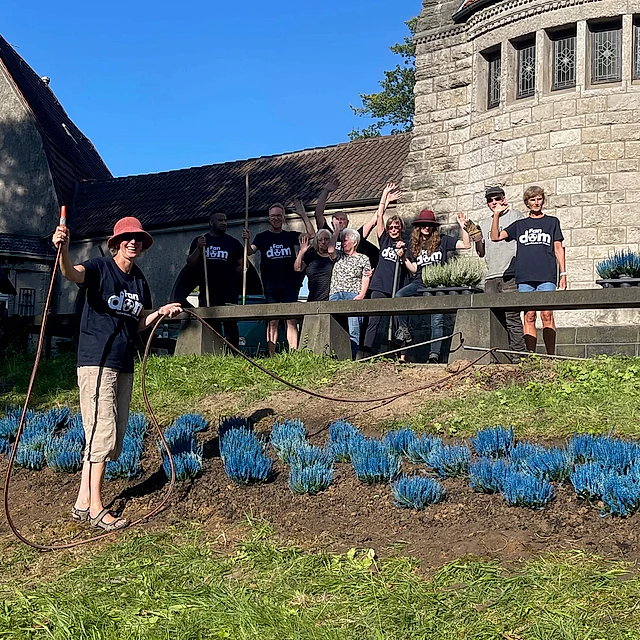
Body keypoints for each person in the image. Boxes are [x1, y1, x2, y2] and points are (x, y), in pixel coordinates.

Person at [52, 217, 182, 531]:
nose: (133, 243)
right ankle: (97, 508)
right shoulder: (99, 268)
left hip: (124, 362)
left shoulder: (138, 280)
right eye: (127, 238)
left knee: (113, 437)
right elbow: (71, 274)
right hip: (96, 360)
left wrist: (160, 313)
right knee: (101, 432)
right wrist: (64, 251)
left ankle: (82, 503)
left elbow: (138, 320)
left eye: (138, 238)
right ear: (116, 243)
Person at [490, 185, 566, 355]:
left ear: (543, 200)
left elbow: (559, 249)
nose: (536, 202)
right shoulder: (520, 225)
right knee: (529, 315)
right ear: (527, 203)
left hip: (546, 276)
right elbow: (495, 237)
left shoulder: (552, 222)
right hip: (525, 277)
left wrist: (563, 274)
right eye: (533, 199)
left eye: (539, 199)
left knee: (547, 314)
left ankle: (550, 356)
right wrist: (496, 214)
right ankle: (531, 357)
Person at [394, 209, 471, 364]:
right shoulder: (414, 244)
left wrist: (463, 227)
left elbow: (466, 245)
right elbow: (415, 269)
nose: (427, 227)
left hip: (437, 283)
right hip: (419, 281)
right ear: (419, 226)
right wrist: (403, 258)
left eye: (429, 225)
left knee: (437, 319)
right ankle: (403, 329)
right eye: (424, 225)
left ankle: (433, 355)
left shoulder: (442, 240)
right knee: (399, 296)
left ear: (433, 227)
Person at [243, 200, 314, 355]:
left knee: (291, 319)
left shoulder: (290, 236)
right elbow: (249, 252)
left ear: (283, 218)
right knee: (273, 319)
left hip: (290, 283)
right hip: (270, 284)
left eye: (279, 216)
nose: (275, 218)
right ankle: (272, 354)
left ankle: (293, 354)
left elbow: (311, 235)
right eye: (273, 216)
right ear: (269, 218)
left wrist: (303, 215)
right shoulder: (262, 237)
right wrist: (247, 239)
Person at [474, 186, 527, 362]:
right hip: (491, 275)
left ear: (504, 199)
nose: (494, 203)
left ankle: (518, 354)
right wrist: (476, 238)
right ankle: (499, 356)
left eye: (497, 199)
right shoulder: (483, 223)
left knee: (512, 316)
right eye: (491, 200)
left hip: (510, 274)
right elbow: (481, 252)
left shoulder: (516, 216)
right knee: (494, 317)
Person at [186, 211, 243, 348]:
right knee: (211, 323)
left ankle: (233, 352)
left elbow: (241, 266)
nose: (223, 223)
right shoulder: (201, 241)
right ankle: (212, 351)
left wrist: (236, 280)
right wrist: (199, 248)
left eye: (225, 220)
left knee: (230, 324)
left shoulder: (233, 243)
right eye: (220, 220)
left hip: (229, 290)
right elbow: (191, 263)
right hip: (208, 289)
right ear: (211, 223)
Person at [361, 183, 406, 356]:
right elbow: (379, 216)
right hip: (379, 285)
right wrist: (385, 195)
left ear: (401, 228)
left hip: (396, 286)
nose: (393, 230)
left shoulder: (405, 244)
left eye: (396, 227)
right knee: (374, 319)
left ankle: (397, 353)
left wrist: (403, 253)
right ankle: (365, 352)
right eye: (391, 227)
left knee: (396, 321)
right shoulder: (385, 241)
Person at [314, 178, 380, 269]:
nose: (340, 221)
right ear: (332, 222)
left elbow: (373, 221)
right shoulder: (327, 236)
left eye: (342, 219)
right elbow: (318, 213)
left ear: (347, 222)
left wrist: (385, 200)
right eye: (337, 219)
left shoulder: (356, 236)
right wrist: (326, 191)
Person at [328, 228, 372, 358]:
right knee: (333, 324)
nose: (342, 243)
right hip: (336, 293)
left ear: (354, 242)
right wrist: (336, 232)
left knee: (354, 327)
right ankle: (333, 355)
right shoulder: (339, 255)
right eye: (341, 240)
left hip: (353, 294)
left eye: (345, 240)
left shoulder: (363, 258)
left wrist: (361, 295)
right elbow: (330, 250)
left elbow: (365, 277)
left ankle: (352, 356)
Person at [294, 229, 334, 301]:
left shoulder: (334, 256)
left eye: (326, 239)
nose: (323, 242)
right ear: (316, 241)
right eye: (320, 240)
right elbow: (297, 268)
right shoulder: (311, 255)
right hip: (313, 298)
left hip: (330, 299)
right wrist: (302, 252)